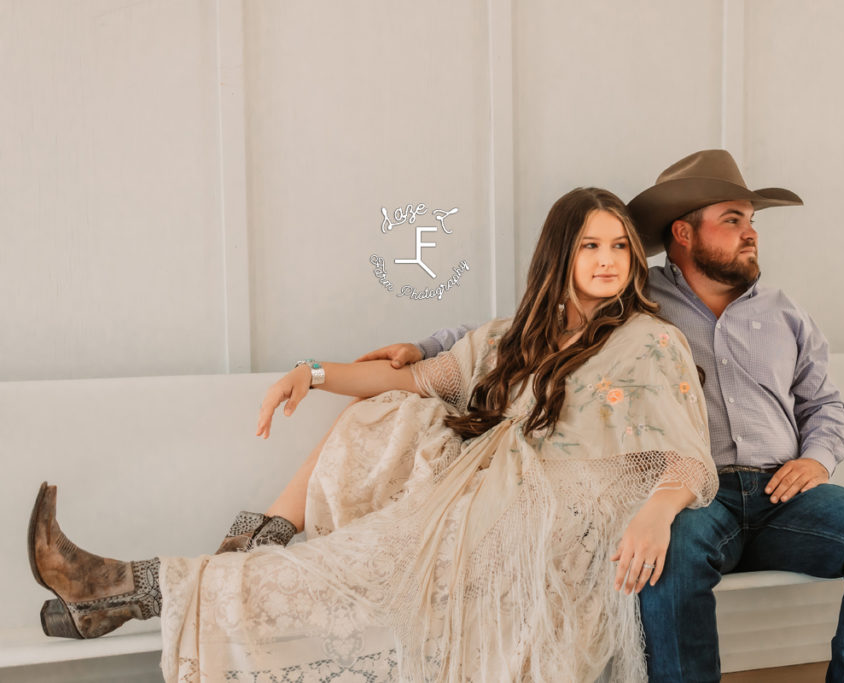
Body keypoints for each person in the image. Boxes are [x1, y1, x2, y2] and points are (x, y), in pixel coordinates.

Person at [28, 187, 718, 682]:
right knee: (373, 456)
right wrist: (318, 370)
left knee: (357, 572)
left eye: (619, 246)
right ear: (559, 256)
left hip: (559, 530)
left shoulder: (651, 340)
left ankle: (133, 589)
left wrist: (658, 511)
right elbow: (414, 381)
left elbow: (687, 453)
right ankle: (142, 584)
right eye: (590, 245)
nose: (608, 259)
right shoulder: (512, 338)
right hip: (479, 507)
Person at [362, 150, 844, 682]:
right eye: (732, 221)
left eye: (751, 221)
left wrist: (818, 459)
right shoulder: (635, 296)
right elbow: (527, 324)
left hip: (784, 494)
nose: (750, 233)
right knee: (667, 563)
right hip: (691, 493)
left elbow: (823, 402)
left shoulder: (786, 313)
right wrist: (425, 346)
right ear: (684, 233)